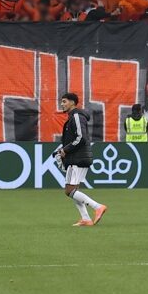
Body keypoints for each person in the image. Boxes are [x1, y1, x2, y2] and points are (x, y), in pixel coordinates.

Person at [54, 92, 106, 227]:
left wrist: (66, 150)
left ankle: (97, 207)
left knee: (69, 191)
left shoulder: (77, 116)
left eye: (64, 101)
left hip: (77, 158)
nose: (62, 104)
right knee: (74, 190)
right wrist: (63, 150)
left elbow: (81, 138)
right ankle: (86, 219)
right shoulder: (73, 117)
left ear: (72, 102)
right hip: (78, 157)